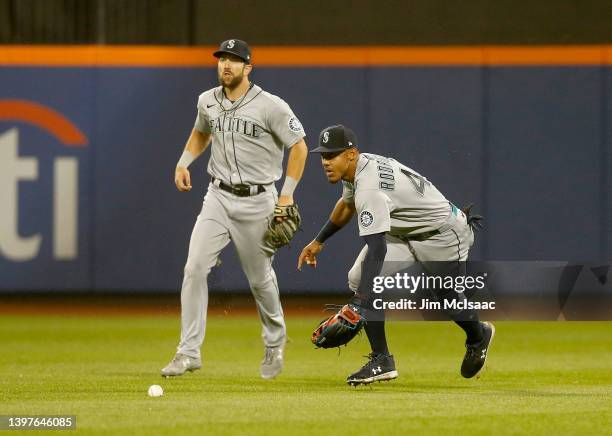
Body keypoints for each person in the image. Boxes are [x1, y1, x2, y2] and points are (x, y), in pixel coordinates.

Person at [298, 124, 493, 385]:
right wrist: (318, 240)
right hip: (404, 231)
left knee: (446, 297)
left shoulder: (369, 187)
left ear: (351, 154)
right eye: (323, 156)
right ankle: (382, 360)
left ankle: (478, 336)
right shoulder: (358, 169)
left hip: (442, 234)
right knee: (359, 278)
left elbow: (378, 249)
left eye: (332, 155)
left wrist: (361, 302)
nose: (326, 162)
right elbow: (346, 204)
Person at [161, 39, 308, 379]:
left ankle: (274, 341)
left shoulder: (271, 105)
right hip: (217, 196)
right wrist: (184, 162)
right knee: (194, 268)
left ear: (248, 68)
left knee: (259, 279)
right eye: (222, 59)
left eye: (234, 60)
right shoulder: (207, 100)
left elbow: (299, 147)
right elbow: (201, 132)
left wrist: (286, 195)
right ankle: (188, 352)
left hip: (259, 200)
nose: (226, 65)